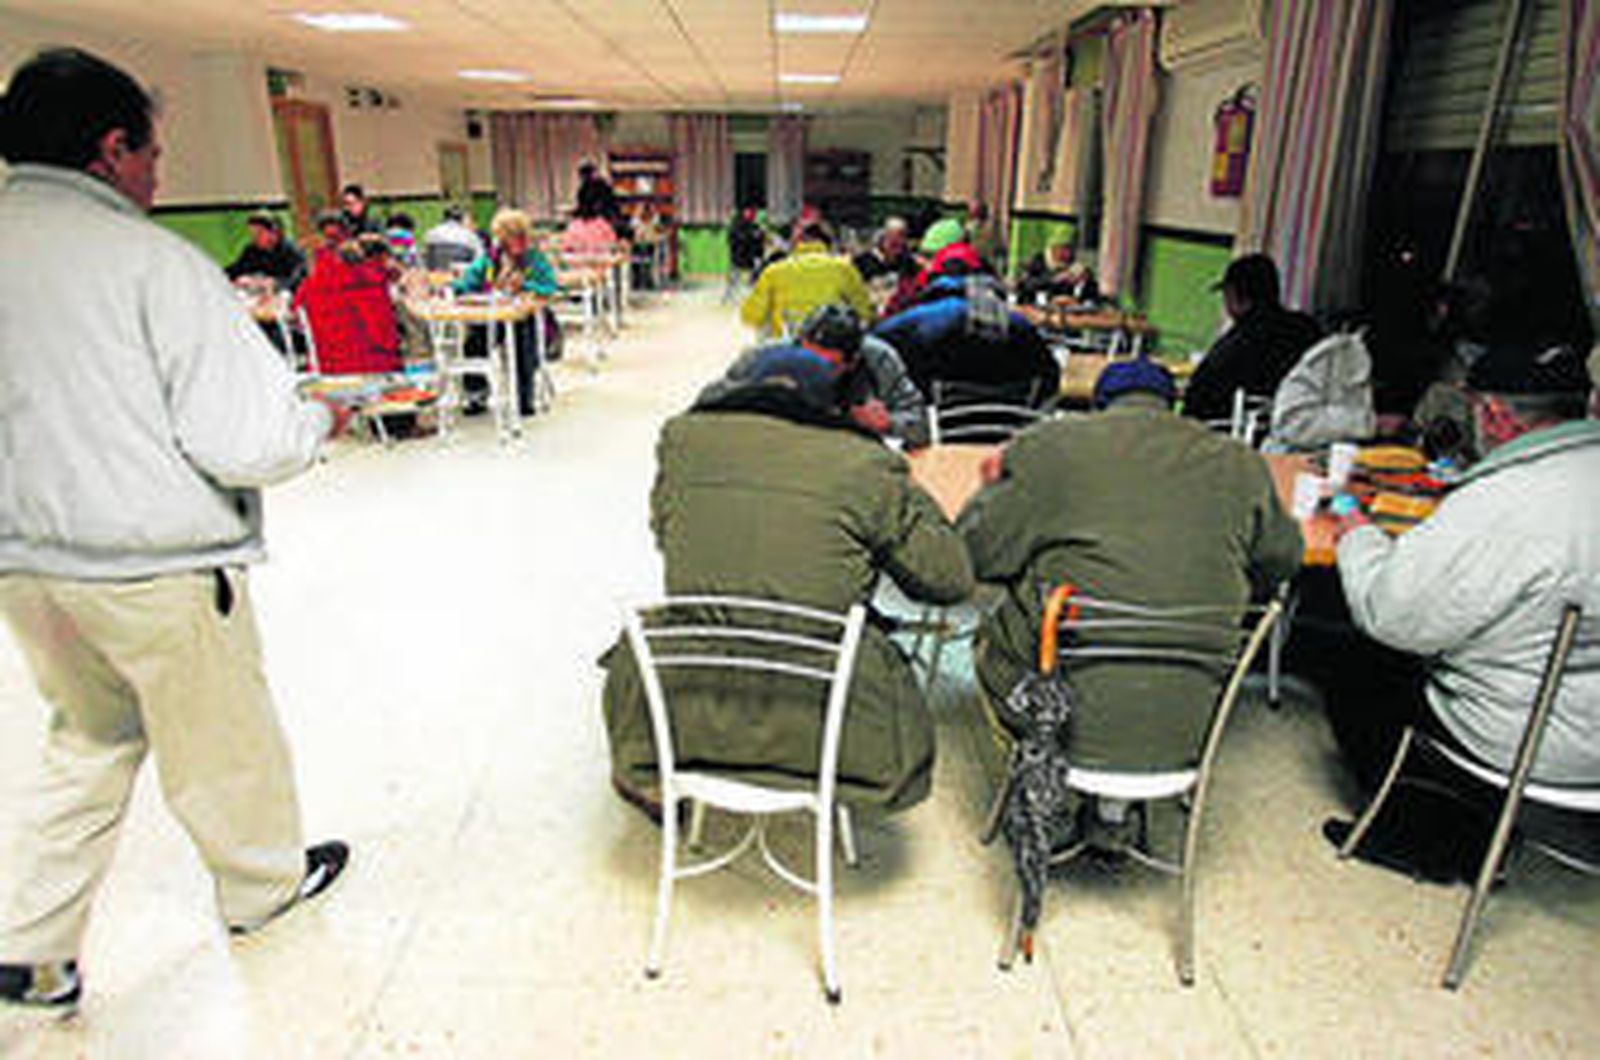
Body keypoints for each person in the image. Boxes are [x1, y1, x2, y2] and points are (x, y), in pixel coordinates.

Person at [0, 47, 350, 1009]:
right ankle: (263, 891)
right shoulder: (153, 264)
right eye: (153, 155)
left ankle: (30, 945)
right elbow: (243, 440)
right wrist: (316, 420)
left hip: (27, 565)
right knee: (221, 744)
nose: (158, 176)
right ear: (112, 148)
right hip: (154, 564)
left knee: (87, 737)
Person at [600, 338, 975, 818]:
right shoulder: (866, 464)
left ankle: (661, 772)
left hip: (688, 705)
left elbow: (667, 535)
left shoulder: (682, 441)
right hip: (836, 730)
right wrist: (903, 490)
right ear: (836, 406)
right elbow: (949, 580)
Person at [957, 359, 1301, 813]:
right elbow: (1282, 560)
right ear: (1172, 406)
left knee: (992, 636)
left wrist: (989, 488)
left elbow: (976, 555)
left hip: (1059, 717)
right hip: (1185, 727)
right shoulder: (1240, 462)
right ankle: (1113, 813)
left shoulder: (1049, 446)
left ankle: (1039, 785)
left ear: (1099, 405)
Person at [1314, 340, 1600, 881]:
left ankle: (1428, 838)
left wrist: (1356, 533)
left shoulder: (1506, 498)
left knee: (1356, 657)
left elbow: (1390, 614)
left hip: (1525, 747)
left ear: (1493, 414)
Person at [702, 303, 930, 448]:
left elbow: (920, 428)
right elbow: (708, 407)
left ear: (853, 362)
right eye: (807, 357)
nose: (814, 369)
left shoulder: (878, 359)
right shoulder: (763, 359)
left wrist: (889, 423)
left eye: (830, 365)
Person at [871, 266, 1059, 404]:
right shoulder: (1016, 320)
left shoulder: (921, 315)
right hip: (1011, 413)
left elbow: (873, 342)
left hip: (936, 411)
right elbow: (1049, 373)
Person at [1182, 253, 1323, 425]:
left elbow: (1196, 402)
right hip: (1301, 430)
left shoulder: (1234, 345)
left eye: (1226, 295)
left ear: (1235, 296)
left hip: (1231, 432)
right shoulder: (1307, 330)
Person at [452, 207, 563, 414]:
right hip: (495, 316)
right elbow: (467, 283)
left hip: (525, 317)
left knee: (524, 342)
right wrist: (458, 288)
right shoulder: (490, 259)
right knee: (474, 341)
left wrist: (525, 286)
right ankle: (476, 395)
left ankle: (524, 397)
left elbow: (550, 286)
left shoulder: (534, 259)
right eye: (510, 236)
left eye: (520, 236)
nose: (517, 242)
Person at [292, 210, 402, 375]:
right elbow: (385, 336)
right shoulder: (373, 281)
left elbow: (296, 314)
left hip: (329, 367)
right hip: (374, 367)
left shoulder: (314, 281)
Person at [739, 220, 872, 338]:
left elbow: (750, 317)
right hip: (829, 345)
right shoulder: (843, 268)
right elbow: (865, 312)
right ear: (828, 245)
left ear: (797, 243)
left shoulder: (774, 271)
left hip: (787, 343)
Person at [225, 212, 306, 291]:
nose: (255, 237)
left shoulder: (292, 251)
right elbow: (236, 269)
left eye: (259, 233)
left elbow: (297, 279)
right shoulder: (252, 251)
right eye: (252, 233)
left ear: (274, 232)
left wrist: (274, 283)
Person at [422, 204, 485, 271]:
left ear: (444, 218)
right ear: (461, 219)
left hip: (436, 272)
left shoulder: (431, 234)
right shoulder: (470, 236)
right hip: (462, 273)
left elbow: (424, 256)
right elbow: (481, 258)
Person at [724, 206, 765, 303]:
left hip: (751, 258)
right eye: (750, 211)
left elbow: (760, 243)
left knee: (757, 272)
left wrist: (759, 238)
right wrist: (752, 236)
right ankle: (729, 298)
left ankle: (755, 295)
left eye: (754, 212)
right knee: (734, 279)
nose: (753, 214)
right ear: (744, 212)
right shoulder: (736, 225)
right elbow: (733, 241)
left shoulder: (756, 226)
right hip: (739, 257)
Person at [575, 160, 626, 237]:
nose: (585, 177)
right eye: (583, 175)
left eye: (587, 174)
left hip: (604, 221)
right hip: (594, 222)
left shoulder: (601, 186)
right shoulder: (583, 189)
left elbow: (606, 204)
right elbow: (582, 207)